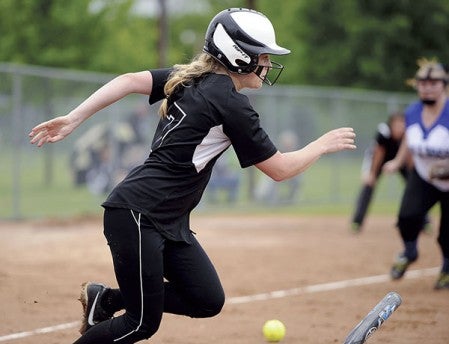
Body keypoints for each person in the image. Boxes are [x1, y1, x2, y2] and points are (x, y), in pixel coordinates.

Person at [29, 8, 356, 343]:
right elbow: (281, 169)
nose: (268, 64)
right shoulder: (231, 104)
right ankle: (111, 306)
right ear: (239, 55)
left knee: (206, 298)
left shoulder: (190, 77)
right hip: (139, 214)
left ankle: (107, 299)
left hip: (163, 217)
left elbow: (127, 81)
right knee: (141, 323)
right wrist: (320, 145)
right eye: (263, 56)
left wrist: (74, 117)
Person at [383, 58, 449, 290]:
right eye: (423, 83)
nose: (427, 87)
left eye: (433, 82)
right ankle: (410, 251)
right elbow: (410, 141)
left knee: (446, 235)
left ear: (444, 85)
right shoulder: (412, 112)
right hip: (423, 175)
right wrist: (397, 161)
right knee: (407, 218)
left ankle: (447, 268)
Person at [350, 111, 411, 232]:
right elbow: (378, 153)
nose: (400, 127)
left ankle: (424, 221)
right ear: (391, 124)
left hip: (399, 158)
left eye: (402, 124)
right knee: (368, 185)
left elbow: (409, 154)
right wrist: (372, 174)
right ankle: (357, 221)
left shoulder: (408, 133)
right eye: (397, 124)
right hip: (378, 160)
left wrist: (411, 174)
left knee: (414, 186)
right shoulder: (384, 132)